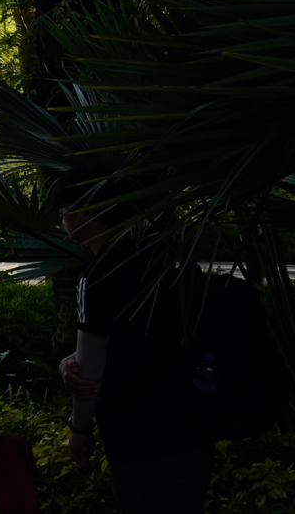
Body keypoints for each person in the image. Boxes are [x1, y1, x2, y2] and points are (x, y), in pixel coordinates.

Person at [53, 165, 212, 511]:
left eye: (64, 210)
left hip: (138, 438)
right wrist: (72, 360)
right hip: (192, 426)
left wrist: (79, 429)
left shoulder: (98, 275)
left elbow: (90, 372)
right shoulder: (161, 260)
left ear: (88, 211)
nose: (61, 219)